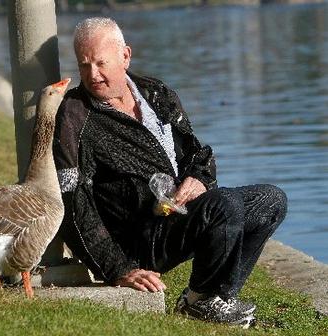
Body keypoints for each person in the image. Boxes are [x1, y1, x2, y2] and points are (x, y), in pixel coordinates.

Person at [53, 17, 287, 328]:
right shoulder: (74, 116)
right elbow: (71, 202)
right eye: (84, 65)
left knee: (271, 200)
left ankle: (215, 298)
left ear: (125, 56)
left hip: (181, 214)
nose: (92, 75)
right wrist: (118, 268)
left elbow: (198, 155)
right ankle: (200, 304)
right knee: (224, 205)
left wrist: (198, 180)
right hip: (138, 238)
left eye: (100, 63)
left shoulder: (156, 92)